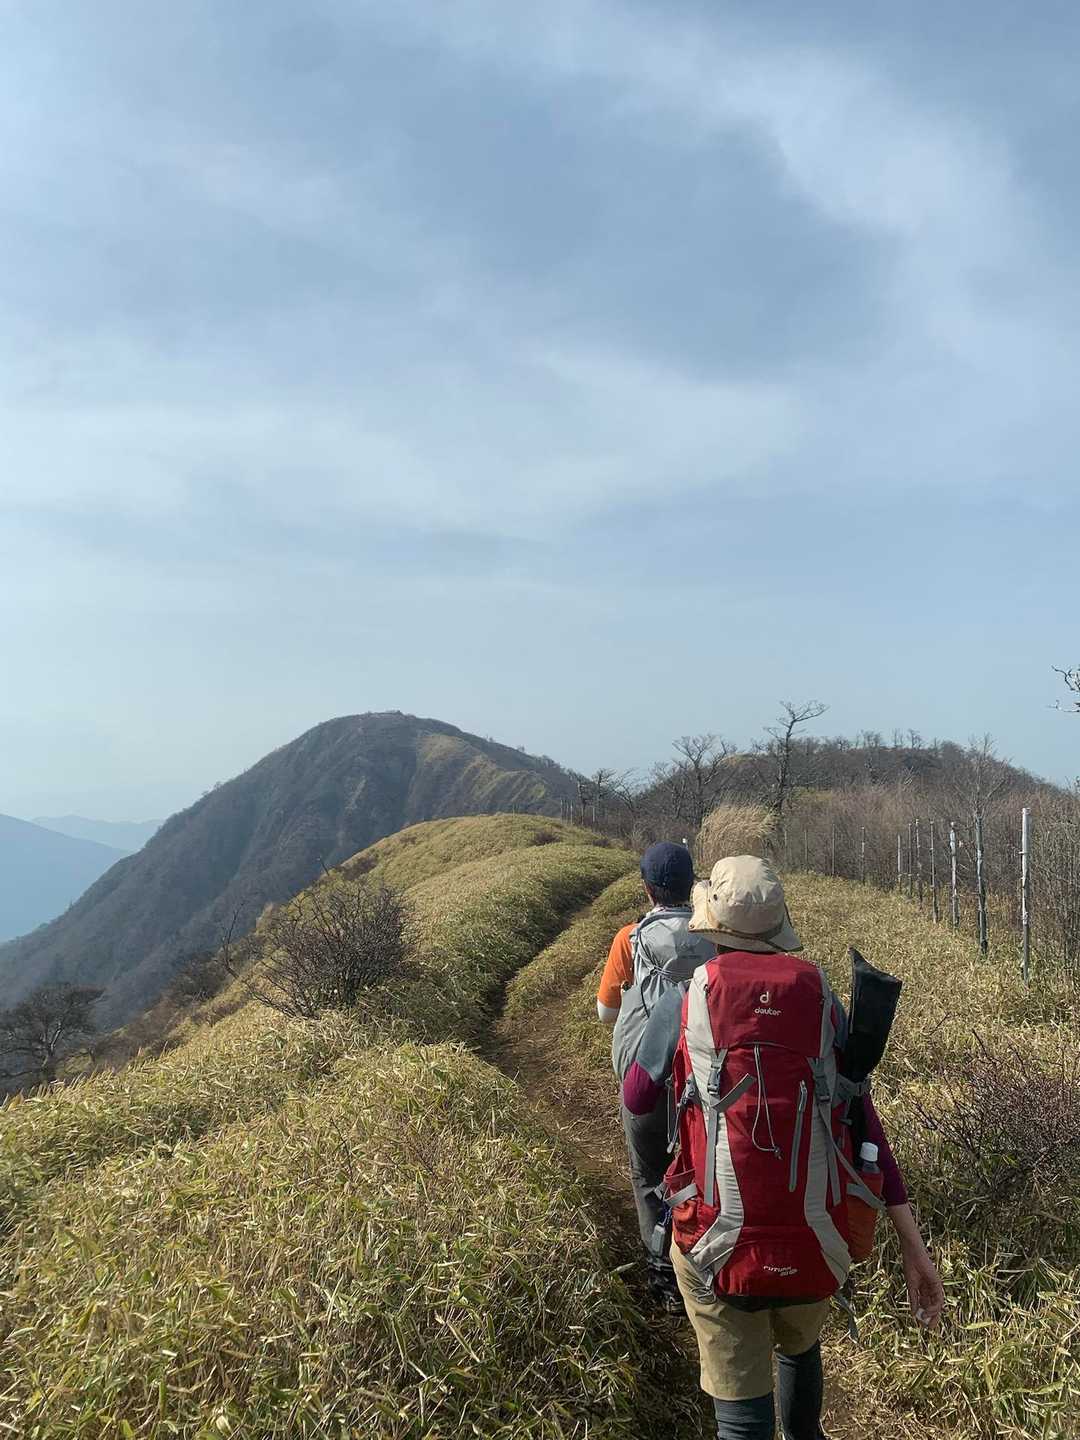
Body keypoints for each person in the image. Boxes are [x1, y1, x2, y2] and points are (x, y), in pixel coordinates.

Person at [622, 854, 944, 1440]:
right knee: (799, 1344)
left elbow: (638, 1096)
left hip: (714, 1238)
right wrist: (912, 1245)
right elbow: (863, 1124)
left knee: (741, 1417)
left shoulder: (687, 996)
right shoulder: (820, 998)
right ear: (778, 926)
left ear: (712, 924)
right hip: (813, 1232)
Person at [596, 841, 716, 1310]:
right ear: (692, 884)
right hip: (705, 1079)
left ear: (647, 888)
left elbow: (606, 1012)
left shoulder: (630, 938)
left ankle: (663, 1277)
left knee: (649, 1176)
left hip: (645, 1079)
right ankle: (706, 1264)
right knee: (704, 1171)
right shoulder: (716, 937)